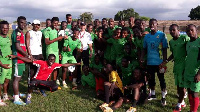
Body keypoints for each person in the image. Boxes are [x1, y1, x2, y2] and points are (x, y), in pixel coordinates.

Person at [9, 54, 81, 104]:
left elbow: (64, 65)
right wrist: (16, 56)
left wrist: (76, 64)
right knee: (32, 83)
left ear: (54, 60)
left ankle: (40, 89)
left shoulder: (55, 65)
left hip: (43, 81)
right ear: (47, 59)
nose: (51, 61)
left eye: (53, 60)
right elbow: (29, 60)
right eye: (49, 60)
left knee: (55, 87)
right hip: (36, 80)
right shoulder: (41, 63)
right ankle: (28, 96)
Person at [161, 24, 189, 112]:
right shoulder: (172, 42)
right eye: (170, 30)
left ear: (178, 30)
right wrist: (166, 61)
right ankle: (183, 102)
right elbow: (173, 54)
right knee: (178, 85)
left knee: (182, 86)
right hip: (176, 66)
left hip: (184, 65)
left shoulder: (184, 39)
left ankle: (179, 105)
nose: (172, 32)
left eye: (174, 30)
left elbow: (190, 48)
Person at [141, 18, 168, 106]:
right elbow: (144, 49)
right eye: (150, 24)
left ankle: (163, 97)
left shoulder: (162, 35)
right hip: (150, 62)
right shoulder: (147, 36)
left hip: (159, 62)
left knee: (161, 80)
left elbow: (164, 49)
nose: (152, 26)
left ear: (157, 25)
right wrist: (142, 58)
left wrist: (164, 61)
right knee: (151, 79)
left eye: (153, 24)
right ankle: (153, 94)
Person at [11, 16, 29, 105]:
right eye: (21, 22)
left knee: (19, 77)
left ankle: (16, 94)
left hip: (21, 59)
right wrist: (27, 55)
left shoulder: (21, 32)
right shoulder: (17, 32)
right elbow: (17, 47)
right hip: (18, 59)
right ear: (18, 23)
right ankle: (16, 99)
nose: (23, 24)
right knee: (16, 79)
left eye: (24, 23)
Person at [44, 17, 66, 83]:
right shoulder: (47, 30)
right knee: (50, 67)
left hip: (56, 50)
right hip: (50, 50)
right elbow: (47, 42)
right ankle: (49, 81)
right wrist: (57, 38)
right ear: (51, 22)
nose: (55, 24)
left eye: (57, 23)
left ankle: (54, 81)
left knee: (56, 67)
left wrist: (62, 37)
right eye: (54, 23)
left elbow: (59, 40)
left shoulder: (56, 30)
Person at [184, 24, 200, 112]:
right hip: (188, 71)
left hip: (196, 72)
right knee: (190, 92)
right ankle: (191, 109)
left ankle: (194, 111)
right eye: (188, 31)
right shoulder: (188, 43)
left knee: (194, 93)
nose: (190, 32)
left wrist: (199, 74)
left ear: (196, 30)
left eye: (191, 30)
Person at [0, 21, 12, 106]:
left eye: (7, 28)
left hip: (9, 63)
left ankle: (5, 95)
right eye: (3, 28)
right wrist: (1, 64)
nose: (5, 29)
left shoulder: (7, 37)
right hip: (2, 64)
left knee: (7, 80)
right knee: (0, 82)